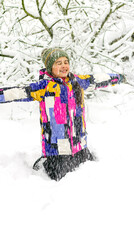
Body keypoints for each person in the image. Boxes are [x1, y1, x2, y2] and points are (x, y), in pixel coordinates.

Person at [0, 47, 125, 181]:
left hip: (80, 146)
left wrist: (118, 77)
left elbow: (97, 79)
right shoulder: (44, 87)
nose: (64, 66)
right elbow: (16, 93)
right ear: (50, 67)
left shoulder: (77, 82)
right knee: (62, 186)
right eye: (58, 63)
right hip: (57, 152)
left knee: (90, 179)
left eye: (66, 62)